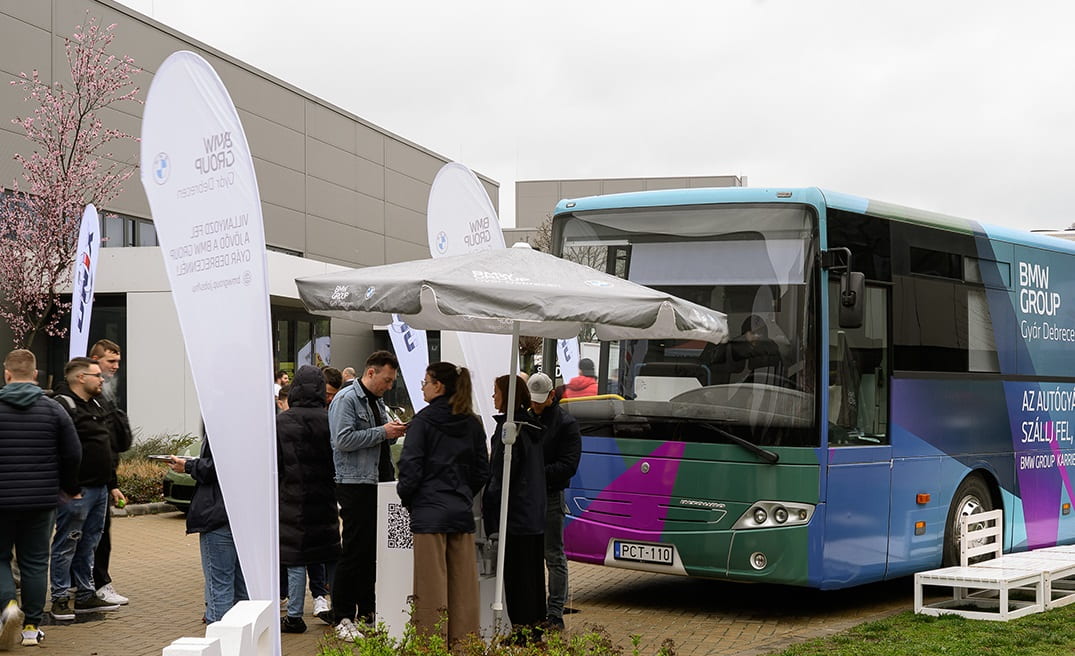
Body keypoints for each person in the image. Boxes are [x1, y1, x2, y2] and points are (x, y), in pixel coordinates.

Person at [396, 362, 489, 645]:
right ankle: (465, 647)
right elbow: (482, 471)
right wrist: (461, 493)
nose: (422, 386)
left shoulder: (422, 423)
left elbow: (409, 469)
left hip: (428, 516)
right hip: (460, 513)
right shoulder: (472, 422)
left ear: (439, 385)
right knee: (464, 590)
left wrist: (411, 498)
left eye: (425, 381)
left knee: (430, 589)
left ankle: (431, 647)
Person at [0, 350, 81, 647]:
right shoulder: (53, 409)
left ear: (6, 374)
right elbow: (73, 453)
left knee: (0, 558)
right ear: (34, 375)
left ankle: (8, 608)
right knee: (35, 562)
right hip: (41, 500)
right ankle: (32, 627)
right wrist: (70, 487)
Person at [327, 350, 407, 640]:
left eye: (392, 381)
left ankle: (368, 612)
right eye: (386, 380)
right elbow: (341, 440)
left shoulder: (377, 400)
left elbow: (378, 436)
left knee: (371, 552)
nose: (388, 385)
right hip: (356, 484)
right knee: (355, 550)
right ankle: (343, 616)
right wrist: (382, 432)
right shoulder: (346, 399)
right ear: (370, 373)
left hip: (378, 482)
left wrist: (392, 432)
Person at [49, 358, 123, 620]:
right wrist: (71, 488)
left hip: (100, 488)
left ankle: (85, 595)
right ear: (81, 378)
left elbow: (106, 446)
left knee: (90, 542)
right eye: (96, 375)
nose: (102, 378)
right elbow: (59, 451)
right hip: (77, 491)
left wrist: (112, 485)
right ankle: (59, 599)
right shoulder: (63, 405)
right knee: (67, 542)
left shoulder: (95, 403)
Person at [276, 366, 341, 634]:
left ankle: (293, 615)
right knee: (326, 553)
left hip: (291, 498)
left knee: (294, 557)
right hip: (324, 497)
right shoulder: (330, 419)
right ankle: (332, 606)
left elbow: (275, 464)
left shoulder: (282, 421)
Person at [483, 374, 546, 642]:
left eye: (496, 392)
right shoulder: (532, 427)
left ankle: (521, 632)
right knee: (532, 576)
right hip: (533, 513)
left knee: (516, 577)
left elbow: (500, 476)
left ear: (507, 396)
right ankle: (535, 629)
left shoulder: (510, 429)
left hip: (515, 515)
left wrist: (491, 517)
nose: (493, 397)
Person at [168, 435, 248, 623]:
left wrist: (188, 466)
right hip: (245, 516)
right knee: (241, 587)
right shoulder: (257, 425)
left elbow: (219, 467)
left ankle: (220, 639)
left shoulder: (221, 425)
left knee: (219, 585)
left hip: (217, 514)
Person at [527, 372, 581, 631]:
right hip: (529, 496)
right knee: (537, 555)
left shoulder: (566, 423)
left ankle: (555, 613)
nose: (535, 405)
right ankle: (538, 609)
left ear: (552, 395)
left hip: (549, 495)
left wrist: (535, 471)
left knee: (554, 555)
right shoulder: (527, 418)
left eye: (540, 400)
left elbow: (569, 465)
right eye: (532, 400)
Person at [89, 339, 134, 607]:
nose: (116, 366)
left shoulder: (107, 394)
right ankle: (97, 584)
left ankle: (86, 583)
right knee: (95, 536)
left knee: (98, 535)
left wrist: (113, 483)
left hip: (102, 480)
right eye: (110, 361)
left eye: (118, 361)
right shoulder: (82, 397)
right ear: (94, 360)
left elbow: (111, 445)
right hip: (87, 483)